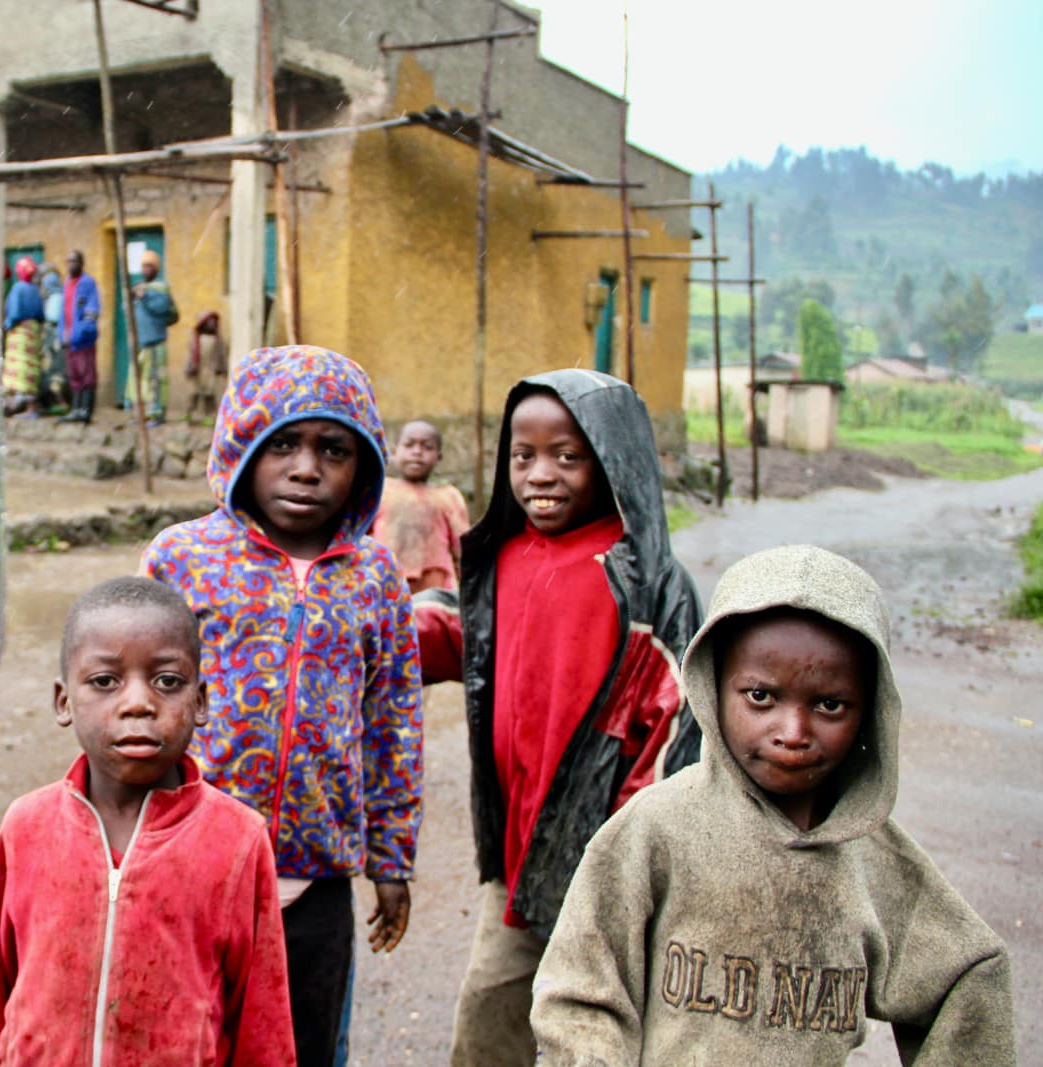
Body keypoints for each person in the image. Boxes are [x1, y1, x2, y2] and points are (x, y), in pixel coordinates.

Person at [531, 545, 1016, 1065]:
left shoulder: (873, 858)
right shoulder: (657, 829)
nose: (793, 732)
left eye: (829, 705)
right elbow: (580, 992)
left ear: (870, 712)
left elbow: (970, 974)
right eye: (761, 697)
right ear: (714, 686)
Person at [141, 345, 423, 1067]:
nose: (307, 468)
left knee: (302, 1046)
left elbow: (393, 719)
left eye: (334, 448)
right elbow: (132, 699)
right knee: (178, 1040)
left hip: (317, 882)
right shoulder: (181, 560)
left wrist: (392, 857)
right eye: (282, 444)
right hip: (188, 866)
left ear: (364, 463)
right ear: (241, 443)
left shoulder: (377, 579)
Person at [444, 369, 702, 1067]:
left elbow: (680, 733)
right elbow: (457, 635)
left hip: (604, 869)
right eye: (522, 456)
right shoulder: (502, 558)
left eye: (568, 454)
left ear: (613, 460)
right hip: (518, 864)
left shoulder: (648, 585)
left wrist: (630, 858)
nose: (541, 474)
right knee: (488, 1019)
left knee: (596, 1030)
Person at [0, 576, 297, 1067]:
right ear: (64, 701)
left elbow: (262, 1020)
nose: (137, 703)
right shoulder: (27, 827)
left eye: (167, 681)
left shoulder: (237, 839)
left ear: (202, 701)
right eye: (105, 681)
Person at [371, 419, 470, 594]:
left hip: (434, 589)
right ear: (393, 452)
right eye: (409, 445)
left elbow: (462, 550)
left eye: (427, 447)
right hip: (383, 582)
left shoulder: (448, 496)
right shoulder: (379, 489)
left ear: (439, 457)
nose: (417, 452)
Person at [126, 248, 179, 426]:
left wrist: (145, 296)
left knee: (156, 380)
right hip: (140, 343)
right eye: (144, 266)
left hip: (155, 341)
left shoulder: (161, 289)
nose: (146, 270)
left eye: (150, 266)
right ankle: (139, 414)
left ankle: (156, 414)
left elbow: (163, 308)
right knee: (138, 381)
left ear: (156, 268)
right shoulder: (138, 288)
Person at [57, 249, 100, 424]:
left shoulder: (88, 283)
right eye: (68, 262)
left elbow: (92, 310)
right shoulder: (67, 283)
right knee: (73, 374)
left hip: (83, 339)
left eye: (74, 261)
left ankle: (86, 411)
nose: (71, 265)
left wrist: (81, 331)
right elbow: (63, 311)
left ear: (81, 264)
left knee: (87, 374)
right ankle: (75, 409)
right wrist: (62, 334)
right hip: (69, 338)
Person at [1, 255, 45, 417]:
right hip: (33, 332)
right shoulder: (35, 289)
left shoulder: (18, 288)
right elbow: (41, 314)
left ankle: (25, 408)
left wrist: (8, 325)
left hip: (20, 333)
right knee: (30, 367)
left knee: (18, 368)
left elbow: (15, 312)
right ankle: (30, 406)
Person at [184, 308, 228, 422]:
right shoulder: (195, 339)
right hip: (197, 370)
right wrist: (189, 367)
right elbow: (190, 354)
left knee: (210, 394)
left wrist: (222, 368)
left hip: (211, 371)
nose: (211, 324)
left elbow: (221, 355)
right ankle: (189, 414)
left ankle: (209, 416)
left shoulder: (217, 340)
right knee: (193, 393)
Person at [38, 264, 67, 413]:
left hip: (54, 337)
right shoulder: (59, 296)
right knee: (54, 369)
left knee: (54, 369)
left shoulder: (55, 298)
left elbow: (51, 318)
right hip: (55, 337)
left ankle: (60, 403)